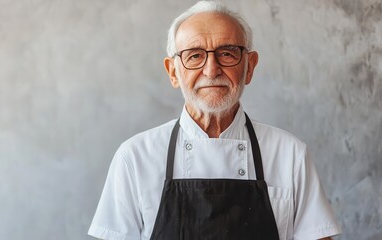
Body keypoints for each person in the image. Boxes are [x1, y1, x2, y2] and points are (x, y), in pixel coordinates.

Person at [88, 1, 342, 239]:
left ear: (249, 67)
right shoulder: (134, 158)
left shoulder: (290, 155)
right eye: (194, 56)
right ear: (173, 72)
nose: (211, 70)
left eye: (228, 53)